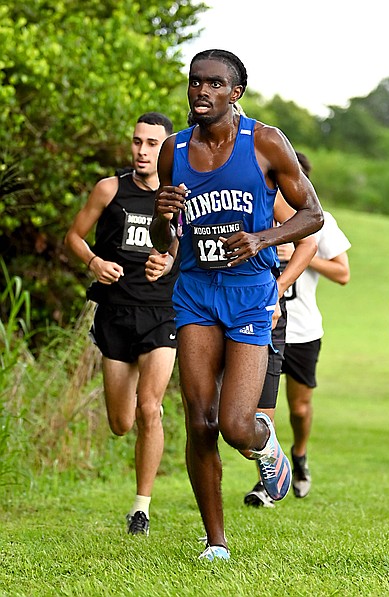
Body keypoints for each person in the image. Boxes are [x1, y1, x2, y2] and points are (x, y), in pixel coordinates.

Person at [149, 50, 324, 561]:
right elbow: (165, 238)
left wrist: (263, 239)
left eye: (214, 83)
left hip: (250, 294)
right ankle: (216, 541)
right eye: (195, 81)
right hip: (196, 292)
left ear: (235, 93)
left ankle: (266, 443)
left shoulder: (264, 142)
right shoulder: (173, 150)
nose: (201, 91)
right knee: (200, 422)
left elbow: (312, 214)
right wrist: (163, 216)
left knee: (235, 425)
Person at [64, 112, 177, 536]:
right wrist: (94, 261)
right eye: (137, 142)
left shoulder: (178, 196)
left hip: (162, 312)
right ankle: (145, 411)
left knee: (149, 408)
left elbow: (190, 243)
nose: (142, 151)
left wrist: (167, 262)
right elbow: (74, 236)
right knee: (121, 422)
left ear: (165, 149)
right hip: (115, 313)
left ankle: (141, 509)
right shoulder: (110, 189)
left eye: (152, 144)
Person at [245, 151, 351, 507]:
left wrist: (299, 257)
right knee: (261, 408)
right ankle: (265, 483)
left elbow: (343, 273)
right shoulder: (258, 210)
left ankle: (300, 454)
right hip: (262, 324)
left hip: (303, 328)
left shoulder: (322, 221)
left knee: (300, 408)